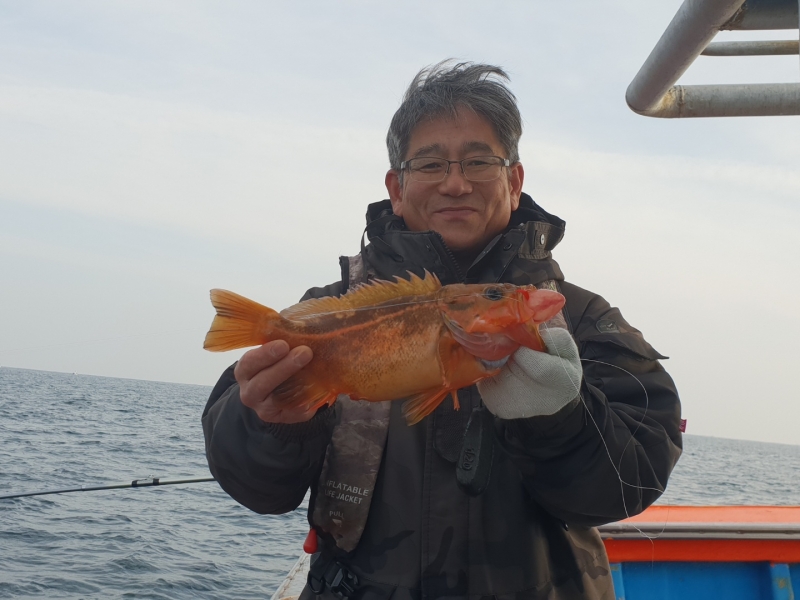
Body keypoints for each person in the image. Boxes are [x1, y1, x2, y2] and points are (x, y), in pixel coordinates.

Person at [202, 62, 682, 600]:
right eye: (430, 164)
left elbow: (632, 484)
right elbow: (255, 489)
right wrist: (269, 423)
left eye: (479, 161)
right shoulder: (325, 315)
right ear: (397, 188)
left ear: (514, 182)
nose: (456, 183)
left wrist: (560, 419)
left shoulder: (581, 319)